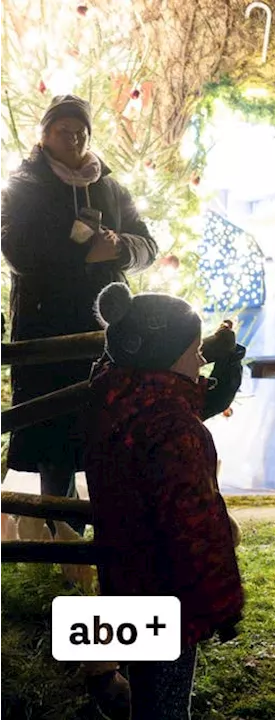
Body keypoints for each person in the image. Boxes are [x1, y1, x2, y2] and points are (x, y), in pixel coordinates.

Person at [83, 283, 243, 720]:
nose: (199, 362)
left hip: (125, 576)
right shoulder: (174, 430)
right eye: (195, 353)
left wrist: (225, 364)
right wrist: (221, 602)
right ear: (167, 359)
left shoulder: (117, 400)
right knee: (166, 707)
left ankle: (105, 682)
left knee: (147, 693)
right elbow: (195, 523)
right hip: (170, 592)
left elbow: (192, 391)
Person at [0, 94, 157, 530]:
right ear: (45, 134)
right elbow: (18, 251)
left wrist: (120, 249)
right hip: (46, 324)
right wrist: (82, 257)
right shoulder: (23, 187)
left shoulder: (109, 184)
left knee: (106, 427)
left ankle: (106, 538)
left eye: (81, 131)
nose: (74, 139)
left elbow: (148, 245)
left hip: (106, 327)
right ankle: (61, 535)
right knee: (55, 431)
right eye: (64, 131)